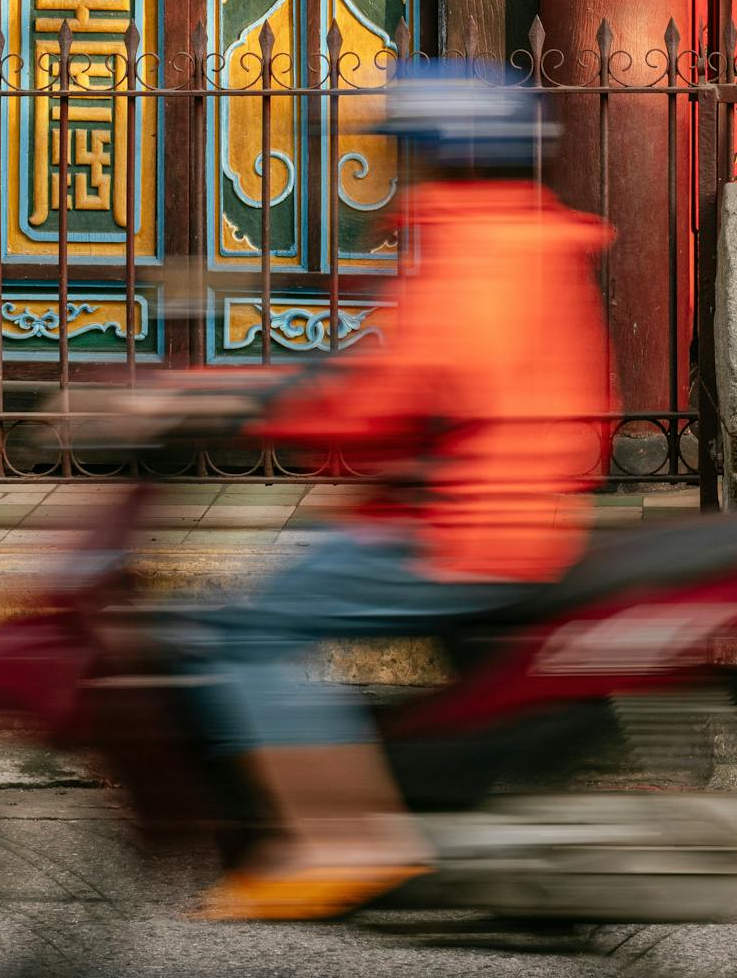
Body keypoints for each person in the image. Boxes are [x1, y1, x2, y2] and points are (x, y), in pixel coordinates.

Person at [167, 60, 614, 922]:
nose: (396, 168)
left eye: (404, 150)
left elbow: (404, 386)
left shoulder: (471, 246)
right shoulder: (531, 236)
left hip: (462, 527)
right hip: (508, 511)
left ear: (435, 153)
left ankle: (342, 839)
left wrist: (266, 414)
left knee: (241, 628)